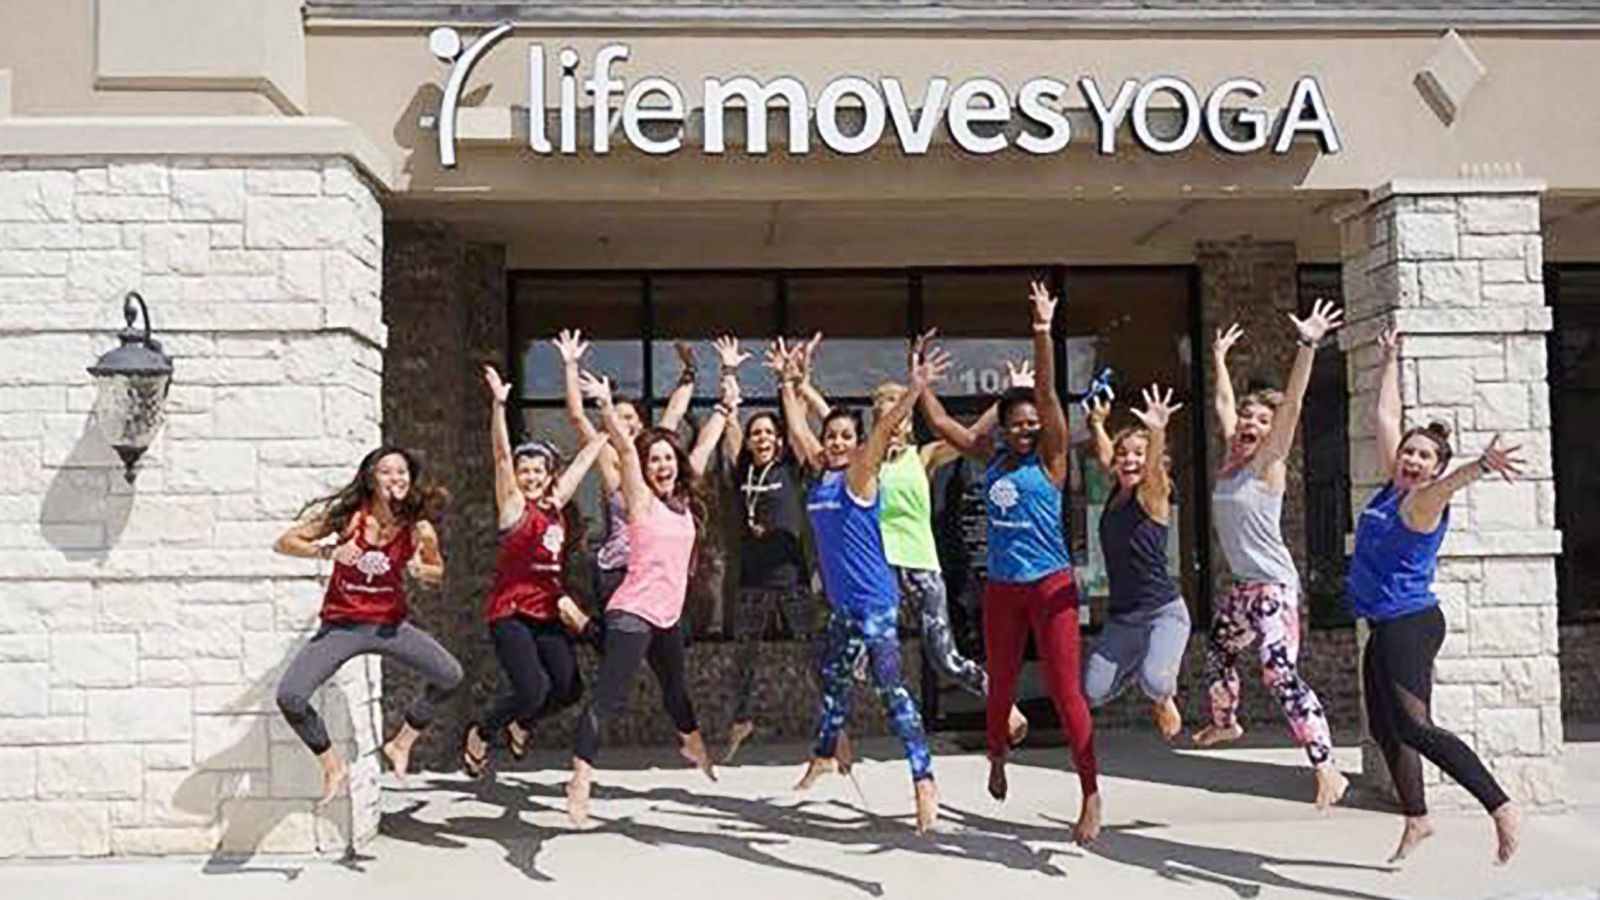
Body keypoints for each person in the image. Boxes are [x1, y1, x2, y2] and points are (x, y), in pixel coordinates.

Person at [920, 280, 1102, 845]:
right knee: (999, 686)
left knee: (1064, 688)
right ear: (1002, 426)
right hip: (1001, 590)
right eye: (1016, 422)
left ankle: (1090, 792)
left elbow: (1046, 395)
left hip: (1051, 588)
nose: (1025, 428)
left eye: (1032, 422)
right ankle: (997, 756)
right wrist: (921, 385)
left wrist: (1043, 330)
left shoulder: (1051, 459)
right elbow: (947, 428)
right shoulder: (990, 458)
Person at [1353, 327, 1522, 864]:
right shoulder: (1391, 488)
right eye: (1409, 451)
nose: (1413, 459)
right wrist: (1389, 362)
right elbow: (1384, 420)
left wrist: (1479, 467)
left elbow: (1447, 487)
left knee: (1415, 727)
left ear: (1436, 467)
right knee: (1385, 728)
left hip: (1410, 622)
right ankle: (1418, 819)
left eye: (1425, 456)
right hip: (1384, 624)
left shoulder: (1420, 504)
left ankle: (1501, 807)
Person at [781, 335, 945, 835]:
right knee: (832, 682)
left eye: (844, 436)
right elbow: (795, 429)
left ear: (857, 443)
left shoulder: (860, 476)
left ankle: (924, 780)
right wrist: (788, 381)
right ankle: (826, 754)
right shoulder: (820, 474)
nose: (834, 441)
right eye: (829, 435)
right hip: (843, 606)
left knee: (892, 690)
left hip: (875, 603)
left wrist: (915, 389)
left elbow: (888, 427)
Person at [564, 365, 733, 826]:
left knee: (675, 690)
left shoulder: (685, 504)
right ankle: (580, 778)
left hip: (668, 617)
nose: (661, 465)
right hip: (631, 612)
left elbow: (707, 441)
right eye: (653, 459)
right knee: (609, 698)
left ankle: (692, 740)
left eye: (667, 458)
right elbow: (621, 444)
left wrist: (728, 390)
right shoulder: (639, 499)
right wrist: (604, 402)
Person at [1200, 299, 1347, 808]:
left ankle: (1326, 766)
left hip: (1273, 589)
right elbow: (1222, 403)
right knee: (1218, 651)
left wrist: (1308, 344)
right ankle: (1226, 722)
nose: (1249, 422)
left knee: (1277, 671)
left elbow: (1292, 407)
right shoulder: (1230, 459)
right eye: (1247, 416)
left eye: (1260, 419)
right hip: (1243, 588)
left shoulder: (1268, 462)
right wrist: (1219, 357)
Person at [272, 446, 460, 801]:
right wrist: (328, 552)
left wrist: (424, 571)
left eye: (402, 472)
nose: (396, 478)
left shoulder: (419, 528)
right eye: (387, 472)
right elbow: (284, 542)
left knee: (450, 675)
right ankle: (332, 765)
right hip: (343, 627)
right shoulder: (348, 518)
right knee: (291, 696)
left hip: (389, 626)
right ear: (372, 479)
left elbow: (437, 570)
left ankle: (401, 744)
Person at [461, 366, 608, 776]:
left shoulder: (554, 506)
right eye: (525, 471)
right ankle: (482, 731)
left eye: (537, 471)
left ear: (547, 478)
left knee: (568, 688)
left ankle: (522, 722)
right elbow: (501, 456)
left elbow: (582, 463)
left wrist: (607, 424)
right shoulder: (512, 508)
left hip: (545, 613)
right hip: (510, 614)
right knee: (534, 688)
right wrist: (498, 405)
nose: (529, 476)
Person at [715, 336, 820, 762]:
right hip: (753, 581)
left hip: (791, 577)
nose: (761, 438)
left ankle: (834, 723)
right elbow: (729, 423)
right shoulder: (743, 469)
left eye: (767, 433)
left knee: (813, 651)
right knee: (745, 655)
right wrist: (729, 373)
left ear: (778, 440)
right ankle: (741, 719)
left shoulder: (790, 468)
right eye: (756, 433)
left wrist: (789, 379)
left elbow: (799, 423)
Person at [555, 330, 696, 608]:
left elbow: (676, 410)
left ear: (641, 423)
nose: (622, 423)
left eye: (629, 417)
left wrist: (690, 369)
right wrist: (571, 365)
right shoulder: (612, 460)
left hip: (658, 566)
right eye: (616, 418)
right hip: (621, 567)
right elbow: (577, 416)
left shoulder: (658, 454)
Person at [1082, 384, 1190, 739]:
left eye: (1139, 454)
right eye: (1124, 454)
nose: (1130, 460)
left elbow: (1153, 467)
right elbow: (1103, 456)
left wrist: (1157, 430)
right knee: (1094, 693)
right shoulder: (1116, 492)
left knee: (1157, 683)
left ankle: (1159, 692)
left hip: (1163, 612)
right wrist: (1097, 424)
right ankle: (1145, 665)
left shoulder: (1153, 495)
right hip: (1123, 619)